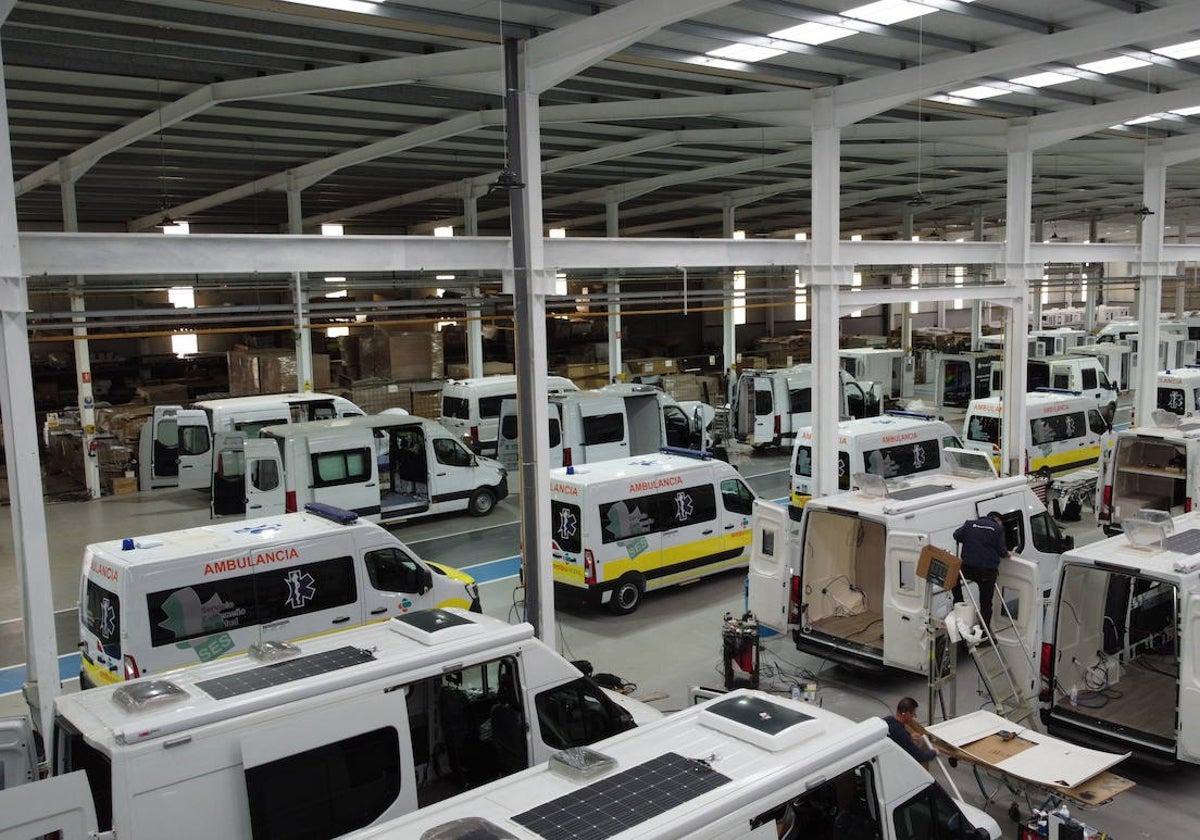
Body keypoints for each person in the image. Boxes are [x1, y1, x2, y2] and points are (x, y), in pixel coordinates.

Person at [952, 510, 1011, 633]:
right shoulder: (997, 529)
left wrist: (971, 540)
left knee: (954, 575)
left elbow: (956, 535)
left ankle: (958, 600)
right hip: (987, 572)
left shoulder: (970, 524)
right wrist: (1007, 554)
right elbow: (1001, 551)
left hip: (968, 568)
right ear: (998, 520)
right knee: (985, 603)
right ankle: (985, 631)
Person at [883, 697, 937, 764]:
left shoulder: (887, 720)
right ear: (906, 713)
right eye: (913, 714)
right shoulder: (901, 734)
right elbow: (920, 756)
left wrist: (909, 736)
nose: (913, 717)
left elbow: (896, 735)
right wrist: (934, 752)